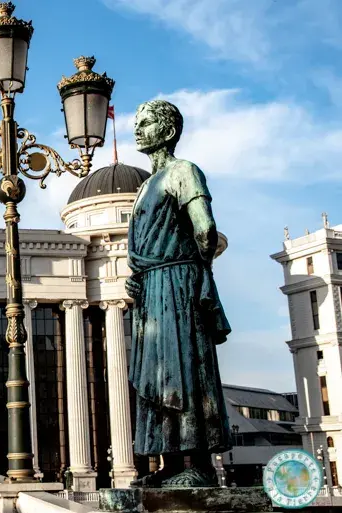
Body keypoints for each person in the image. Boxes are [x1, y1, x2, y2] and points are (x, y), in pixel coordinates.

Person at [127, 99, 231, 488]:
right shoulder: (144, 186)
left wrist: (196, 270)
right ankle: (170, 463)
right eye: (136, 123)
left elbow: (204, 228)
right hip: (153, 287)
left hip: (176, 282)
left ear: (168, 131)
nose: (138, 129)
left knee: (183, 369)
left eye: (147, 123)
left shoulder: (183, 171)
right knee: (158, 374)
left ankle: (198, 463)